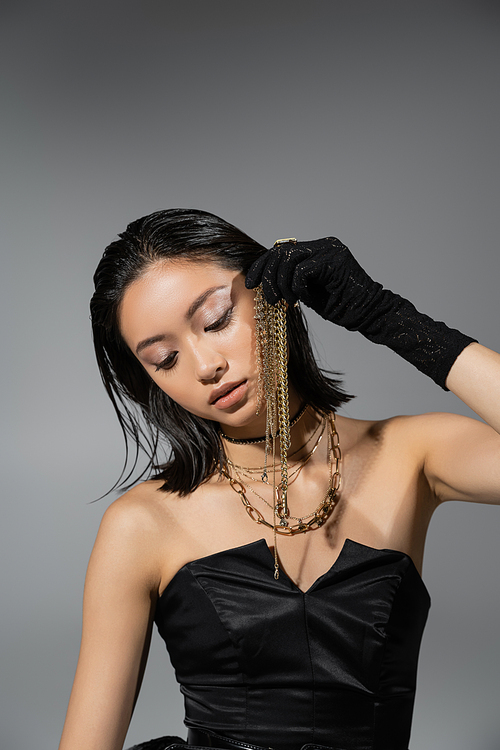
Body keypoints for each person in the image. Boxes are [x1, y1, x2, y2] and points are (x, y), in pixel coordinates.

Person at [59, 209, 500, 750]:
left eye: (217, 319)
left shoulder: (413, 454)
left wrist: (386, 317)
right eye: (165, 358)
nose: (204, 366)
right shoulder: (142, 523)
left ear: (272, 298)